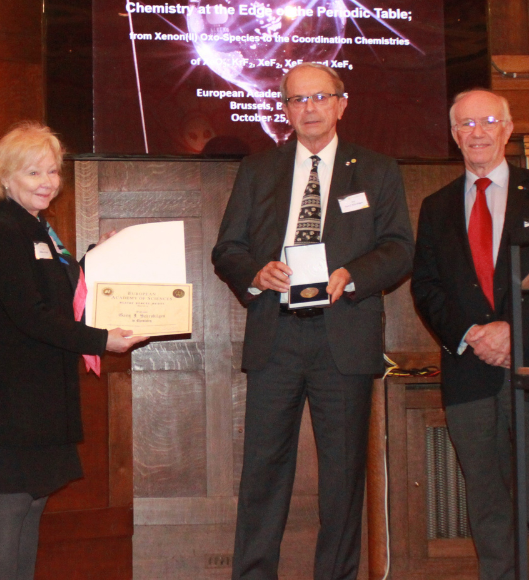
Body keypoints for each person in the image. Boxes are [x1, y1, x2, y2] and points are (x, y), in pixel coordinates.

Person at [211, 63, 414, 579]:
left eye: (320, 97)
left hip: (343, 336)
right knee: (263, 473)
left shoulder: (377, 169)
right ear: (285, 111)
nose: (309, 108)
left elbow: (398, 249)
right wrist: (256, 272)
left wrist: (353, 273)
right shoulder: (258, 171)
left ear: (342, 103)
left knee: (343, 479)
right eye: (297, 100)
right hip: (275, 337)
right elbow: (227, 248)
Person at [412, 89, 529, 580]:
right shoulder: (435, 205)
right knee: (487, 509)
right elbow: (426, 286)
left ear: (507, 128)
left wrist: (513, 332)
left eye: (487, 121)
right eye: (464, 125)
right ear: (454, 136)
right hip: (468, 376)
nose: (476, 132)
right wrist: (473, 334)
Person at [0, 122, 146, 580]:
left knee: (34, 502)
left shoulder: (38, 229)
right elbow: (31, 315)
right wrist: (102, 340)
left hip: (45, 390)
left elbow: (60, 291)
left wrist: (95, 259)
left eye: (52, 172)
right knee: (13, 504)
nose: (48, 182)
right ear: (5, 178)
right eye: (34, 173)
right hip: (17, 396)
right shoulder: (5, 233)